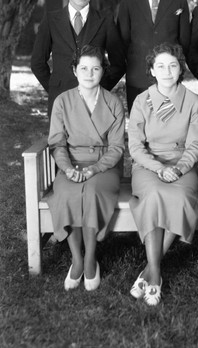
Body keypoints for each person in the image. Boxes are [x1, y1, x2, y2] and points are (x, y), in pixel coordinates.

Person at [128, 43, 198, 306]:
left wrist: (180, 168)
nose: (167, 71)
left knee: (181, 198)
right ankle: (156, 274)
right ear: (151, 70)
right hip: (149, 165)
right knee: (154, 195)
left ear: (180, 68)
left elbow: (196, 144)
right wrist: (159, 168)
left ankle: (149, 272)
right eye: (160, 65)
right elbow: (136, 146)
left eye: (173, 65)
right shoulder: (141, 100)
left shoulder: (192, 101)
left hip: (183, 164)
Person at [47, 45, 125, 291]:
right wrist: (67, 168)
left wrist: (94, 169)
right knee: (69, 193)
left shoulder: (113, 103)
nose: (89, 73)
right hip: (70, 163)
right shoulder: (63, 101)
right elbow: (57, 142)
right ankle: (77, 260)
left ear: (103, 71)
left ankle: (91, 258)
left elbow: (116, 148)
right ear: (74, 70)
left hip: (103, 167)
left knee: (90, 192)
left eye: (95, 68)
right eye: (83, 68)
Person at [31, 0, 126, 116]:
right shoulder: (51, 20)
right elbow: (37, 62)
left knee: (94, 139)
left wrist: (101, 87)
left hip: (95, 102)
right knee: (59, 140)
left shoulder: (105, 20)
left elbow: (119, 63)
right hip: (60, 101)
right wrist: (54, 88)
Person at [116, 0, 190, 112]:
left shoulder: (179, 0)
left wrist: (176, 71)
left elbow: (184, 41)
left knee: (169, 133)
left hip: (170, 80)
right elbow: (122, 42)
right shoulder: (127, 1)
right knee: (139, 133)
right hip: (137, 79)